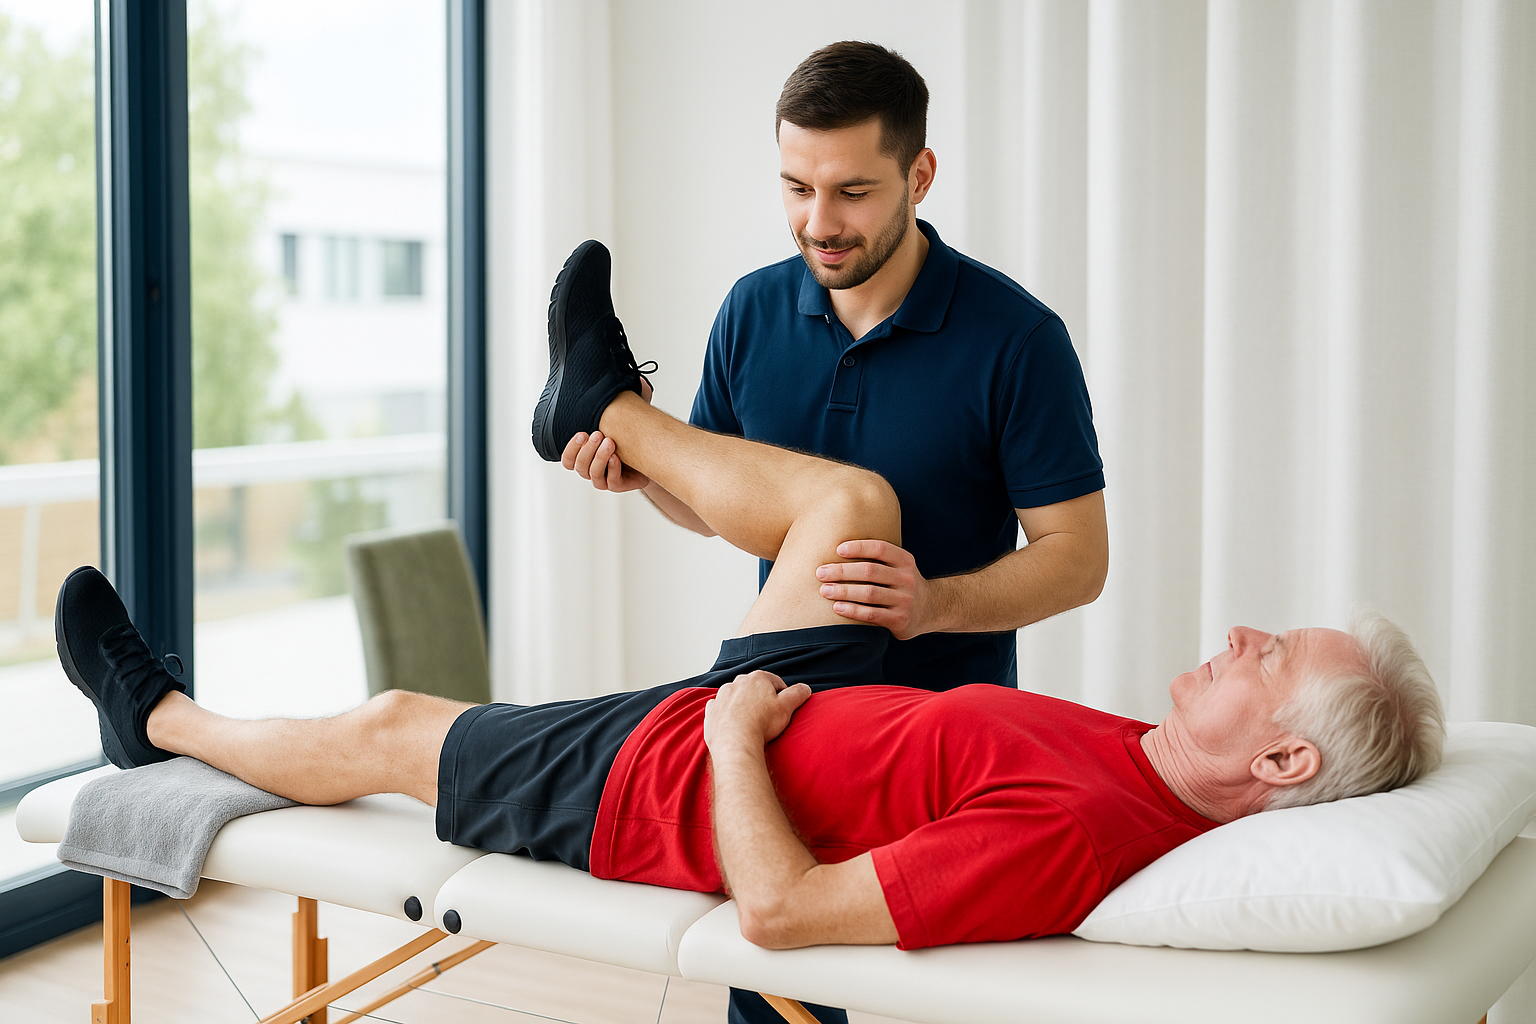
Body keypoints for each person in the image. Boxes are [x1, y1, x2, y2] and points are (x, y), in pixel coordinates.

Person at [63, 241, 1445, 960]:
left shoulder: (1085, 830)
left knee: (392, 723)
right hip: (812, 698)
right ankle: (600, 407)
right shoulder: (1134, 764)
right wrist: (646, 479)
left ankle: (162, 721)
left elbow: (781, 916)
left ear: (1281, 759)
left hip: (686, 775)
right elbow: (729, 506)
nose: (1242, 635)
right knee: (855, 508)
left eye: (1272, 656)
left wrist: (730, 737)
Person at [554, 40, 1109, 693]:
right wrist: (646, 472)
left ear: (919, 177)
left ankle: (602, 397)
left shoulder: (1019, 338)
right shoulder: (751, 309)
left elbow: (1078, 559)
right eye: (797, 188)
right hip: (788, 710)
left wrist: (932, 605)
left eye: (852, 191)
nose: (819, 223)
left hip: (937, 728)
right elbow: (705, 510)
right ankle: (618, 412)